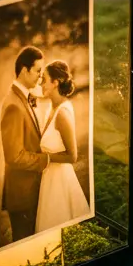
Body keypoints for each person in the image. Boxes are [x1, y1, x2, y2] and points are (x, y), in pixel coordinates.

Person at [35, 60, 90, 233]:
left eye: (44, 79)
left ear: (55, 82)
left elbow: (72, 156)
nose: (40, 83)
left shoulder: (62, 113)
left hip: (60, 182)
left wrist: (44, 158)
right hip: (50, 179)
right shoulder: (51, 108)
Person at [0, 45, 48, 242]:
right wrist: (45, 160)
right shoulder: (13, 105)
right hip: (23, 195)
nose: (40, 77)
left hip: (29, 192)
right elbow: (14, 156)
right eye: (38, 71)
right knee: (25, 246)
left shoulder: (24, 98)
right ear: (24, 70)